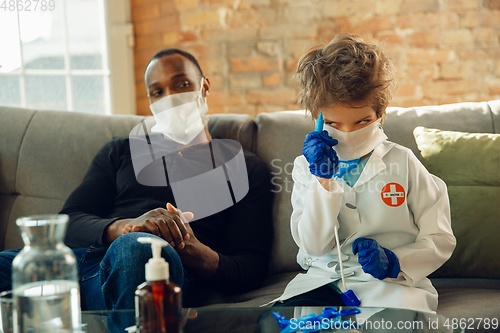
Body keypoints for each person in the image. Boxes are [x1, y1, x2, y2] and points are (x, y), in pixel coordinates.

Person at [0, 48, 273, 312]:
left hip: (156, 267)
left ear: (204, 87)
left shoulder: (242, 167)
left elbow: (250, 266)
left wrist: (196, 252)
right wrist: (128, 227)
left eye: (182, 85)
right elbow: (69, 221)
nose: (170, 99)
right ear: (151, 102)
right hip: (79, 264)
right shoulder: (121, 149)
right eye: (157, 92)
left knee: (140, 248)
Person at [268, 34, 456, 313]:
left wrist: (395, 261)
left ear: (381, 113)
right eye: (333, 123)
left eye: (362, 121)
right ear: (317, 118)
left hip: (391, 285)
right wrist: (322, 181)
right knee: (280, 323)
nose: (347, 134)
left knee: (393, 325)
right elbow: (313, 245)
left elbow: (440, 237)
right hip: (325, 282)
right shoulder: (305, 168)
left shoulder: (403, 162)